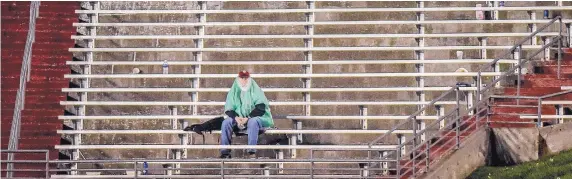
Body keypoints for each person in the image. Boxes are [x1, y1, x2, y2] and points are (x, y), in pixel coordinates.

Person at [220, 70, 273, 159]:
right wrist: (236, 117)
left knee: (253, 122)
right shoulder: (234, 90)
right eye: (242, 78)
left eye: (246, 78)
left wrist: (248, 118)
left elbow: (261, 107)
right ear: (238, 79)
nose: (244, 80)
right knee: (226, 123)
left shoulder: (255, 89)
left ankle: (251, 151)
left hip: (256, 117)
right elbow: (229, 108)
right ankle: (225, 152)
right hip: (239, 118)